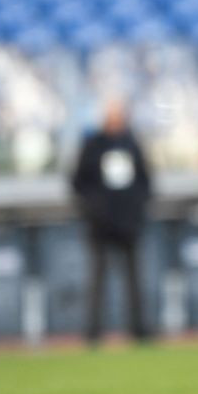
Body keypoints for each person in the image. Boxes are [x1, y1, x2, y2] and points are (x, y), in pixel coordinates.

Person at [71, 96, 153, 343]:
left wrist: (136, 208)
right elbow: (78, 182)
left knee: (134, 278)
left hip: (128, 223)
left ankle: (138, 328)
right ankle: (93, 331)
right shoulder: (93, 145)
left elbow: (145, 181)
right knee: (97, 277)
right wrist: (94, 208)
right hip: (100, 224)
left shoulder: (131, 144)